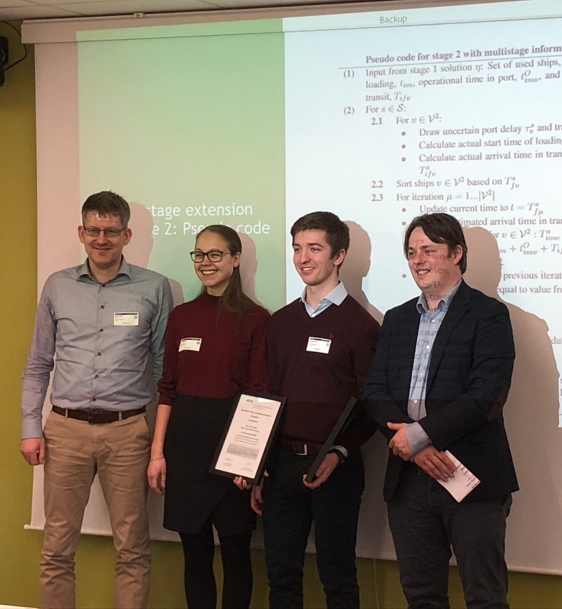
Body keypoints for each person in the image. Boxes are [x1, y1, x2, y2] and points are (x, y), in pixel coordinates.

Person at [20, 191, 173, 609]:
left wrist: (158, 439)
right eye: (93, 230)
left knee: (132, 548)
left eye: (110, 231)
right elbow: (38, 363)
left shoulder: (154, 288)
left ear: (126, 235)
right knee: (56, 549)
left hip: (128, 432)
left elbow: (164, 371)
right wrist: (31, 427)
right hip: (64, 429)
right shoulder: (58, 285)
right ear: (81, 232)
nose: (101, 238)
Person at [363, 213, 518, 609]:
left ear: (456, 254)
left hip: (469, 475)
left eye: (429, 250)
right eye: (412, 252)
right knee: (421, 596)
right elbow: (375, 390)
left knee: (484, 596)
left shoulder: (489, 315)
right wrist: (412, 445)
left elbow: (486, 395)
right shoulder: (396, 319)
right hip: (408, 479)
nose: (418, 260)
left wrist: (420, 435)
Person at [254, 211, 379, 608]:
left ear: (338, 255)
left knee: (337, 576)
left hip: (335, 470)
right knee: (282, 576)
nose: (303, 258)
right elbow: (266, 395)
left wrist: (340, 453)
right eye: (297, 248)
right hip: (281, 468)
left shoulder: (363, 327)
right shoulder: (279, 323)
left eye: (314, 248)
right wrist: (257, 466)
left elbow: (371, 405)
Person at [149, 224, 269, 609]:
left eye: (215, 254)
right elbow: (167, 388)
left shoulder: (256, 318)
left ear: (235, 259)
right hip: (184, 451)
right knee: (194, 557)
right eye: (199, 254)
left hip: (232, 452)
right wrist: (157, 453)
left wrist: (248, 460)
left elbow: (258, 395)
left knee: (236, 557)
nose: (205, 262)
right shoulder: (182, 316)